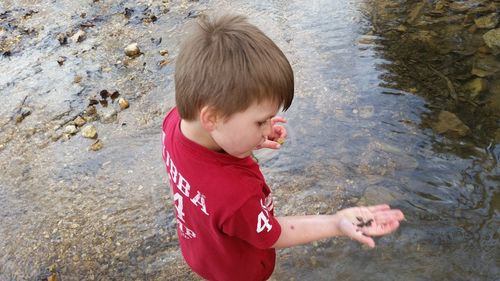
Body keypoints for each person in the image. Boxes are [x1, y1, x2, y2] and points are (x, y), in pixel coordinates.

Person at [161, 14, 405, 281]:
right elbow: (277, 234)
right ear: (212, 118)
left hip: (201, 250)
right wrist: (336, 222)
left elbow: (205, 173)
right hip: (239, 272)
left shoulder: (175, 123)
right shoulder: (237, 196)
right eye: (260, 121)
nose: (268, 129)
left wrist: (250, 137)